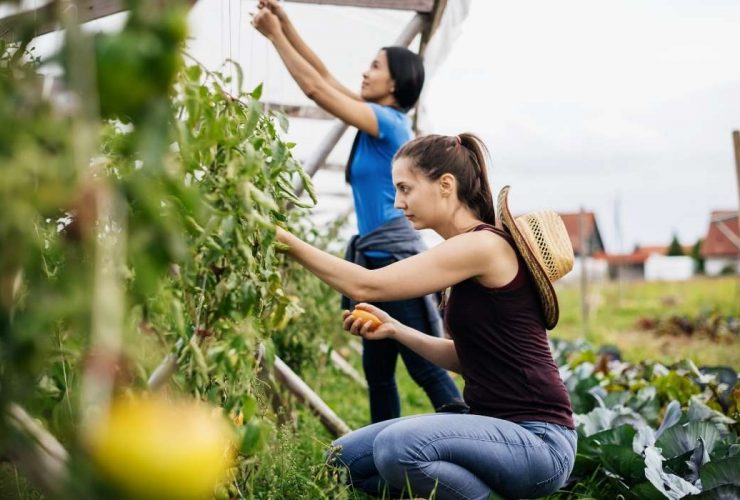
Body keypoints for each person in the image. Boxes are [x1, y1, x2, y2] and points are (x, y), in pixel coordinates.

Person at [274, 133, 577, 499]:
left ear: (445, 185)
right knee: (341, 461)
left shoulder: (482, 246)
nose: (398, 203)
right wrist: (397, 330)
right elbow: (467, 359)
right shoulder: (466, 251)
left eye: (405, 188)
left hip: (538, 441)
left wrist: (283, 239)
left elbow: (368, 285)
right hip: (491, 429)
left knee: (397, 450)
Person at [252, 0, 462, 423]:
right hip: (376, 255)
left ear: (395, 82)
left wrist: (273, 35)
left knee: (424, 369)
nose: (365, 72)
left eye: (375, 66)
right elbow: (324, 77)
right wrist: (286, 23)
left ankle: (477, 440)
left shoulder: (389, 123)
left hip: (393, 260)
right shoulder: (377, 118)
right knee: (378, 371)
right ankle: (379, 455)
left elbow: (315, 89)